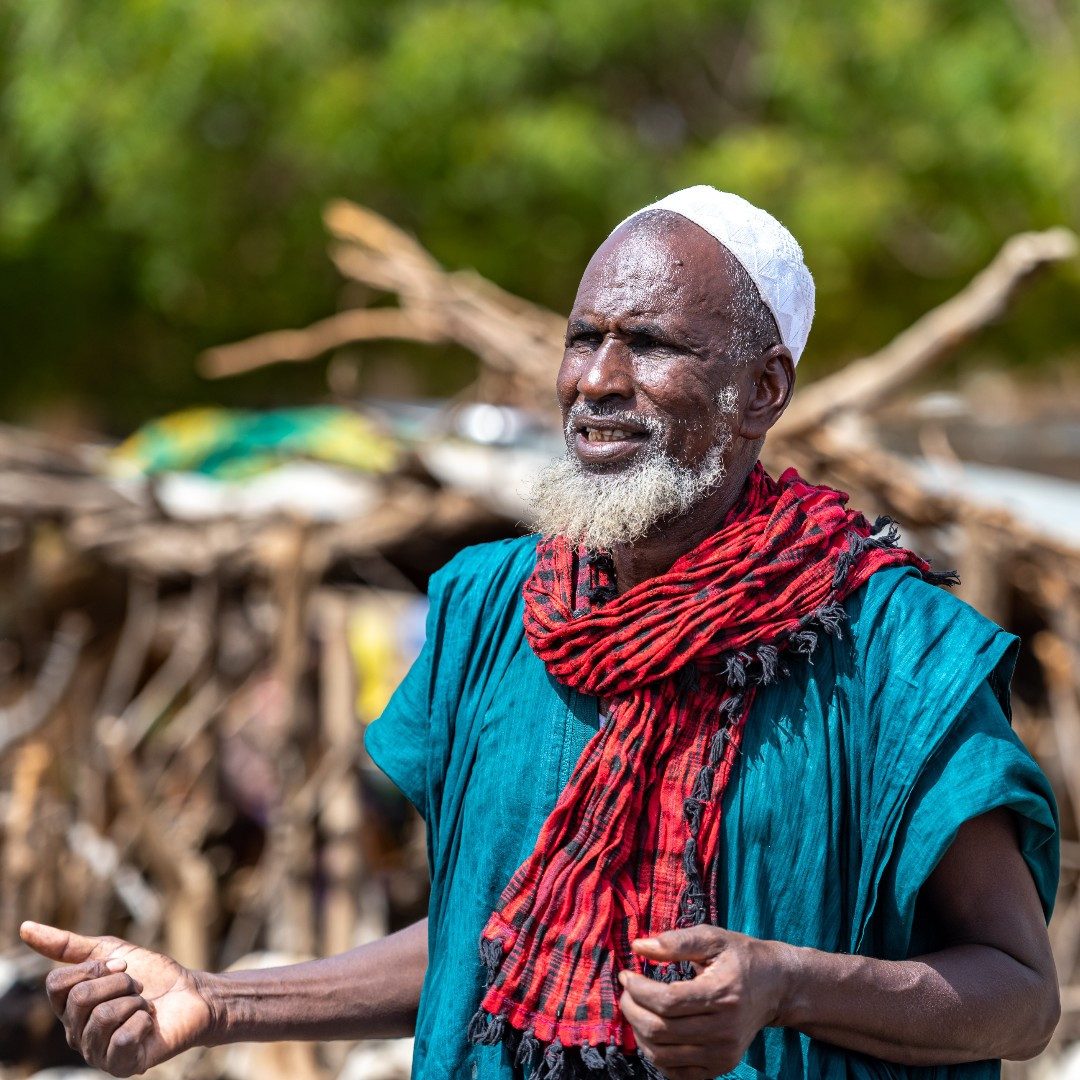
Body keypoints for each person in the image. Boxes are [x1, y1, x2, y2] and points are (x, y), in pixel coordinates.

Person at [22, 187, 1060, 1080]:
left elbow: (1018, 996)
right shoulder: (491, 611)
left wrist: (788, 985)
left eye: (649, 344)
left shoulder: (893, 649)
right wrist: (216, 1000)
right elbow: (485, 941)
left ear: (763, 389)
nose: (596, 380)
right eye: (583, 338)